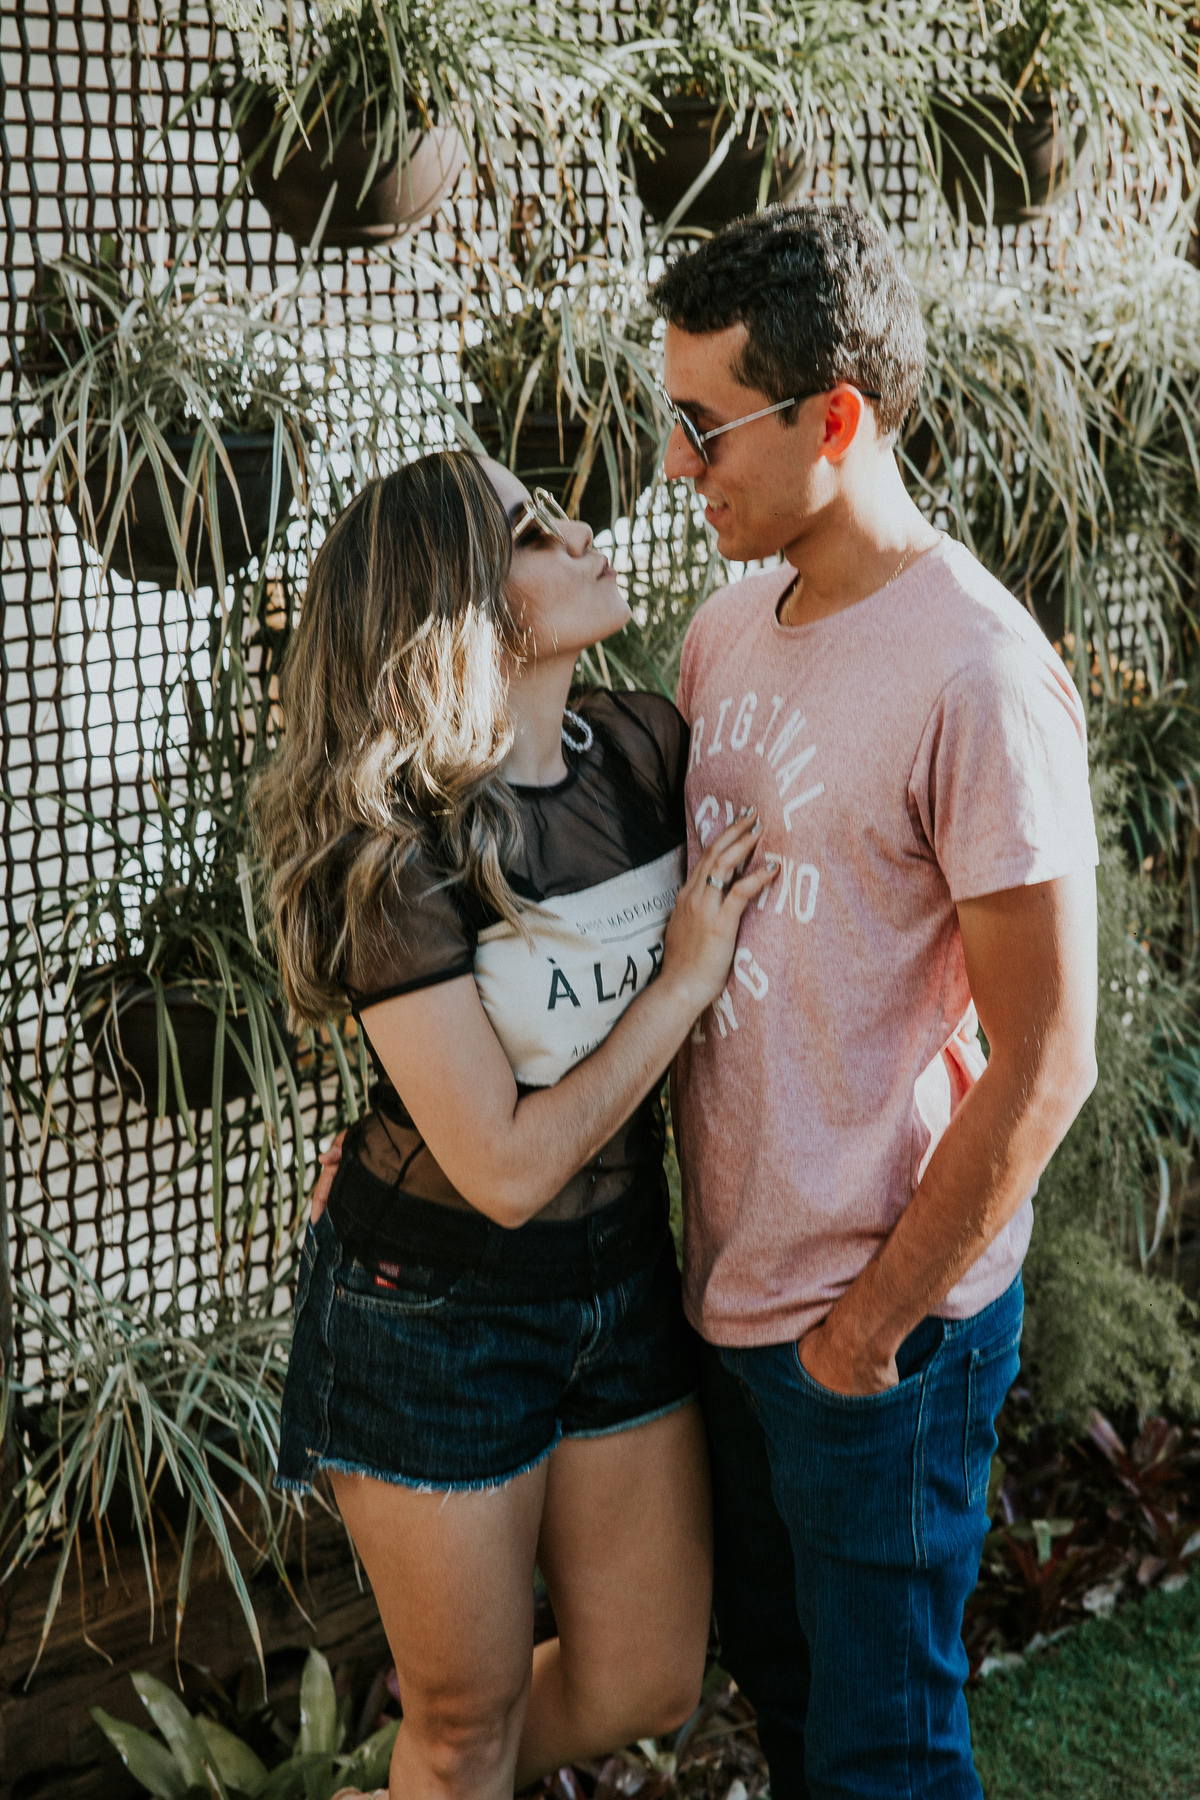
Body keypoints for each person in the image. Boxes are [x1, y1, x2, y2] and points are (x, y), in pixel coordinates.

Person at [652, 202, 1100, 1799]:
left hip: (877, 1342)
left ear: (834, 416)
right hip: (733, 1306)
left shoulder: (978, 672)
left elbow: (1050, 1059)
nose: (676, 464)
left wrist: (867, 1336)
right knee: (789, 1713)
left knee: (885, 1756)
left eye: (701, 426)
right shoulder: (721, 633)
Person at [252, 449, 778, 1800]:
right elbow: (498, 1168)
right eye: (537, 531)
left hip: (616, 1281)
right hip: (434, 1309)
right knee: (465, 1723)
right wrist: (679, 983)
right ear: (461, 606)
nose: (586, 532)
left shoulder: (647, 748)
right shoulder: (398, 854)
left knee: (647, 1677)